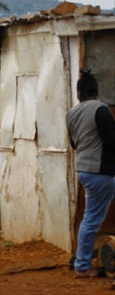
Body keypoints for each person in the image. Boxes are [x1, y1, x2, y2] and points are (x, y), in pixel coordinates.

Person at [66, 70, 115, 278]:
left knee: (90, 217)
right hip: (100, 171)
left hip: (84, 169)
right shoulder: (101, 109)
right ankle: (82, 266)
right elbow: (111, 140)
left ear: (79, 93)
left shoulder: (71, 114)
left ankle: (82, 263)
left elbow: (74, 144)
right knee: (92, 219)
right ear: (96, 91)